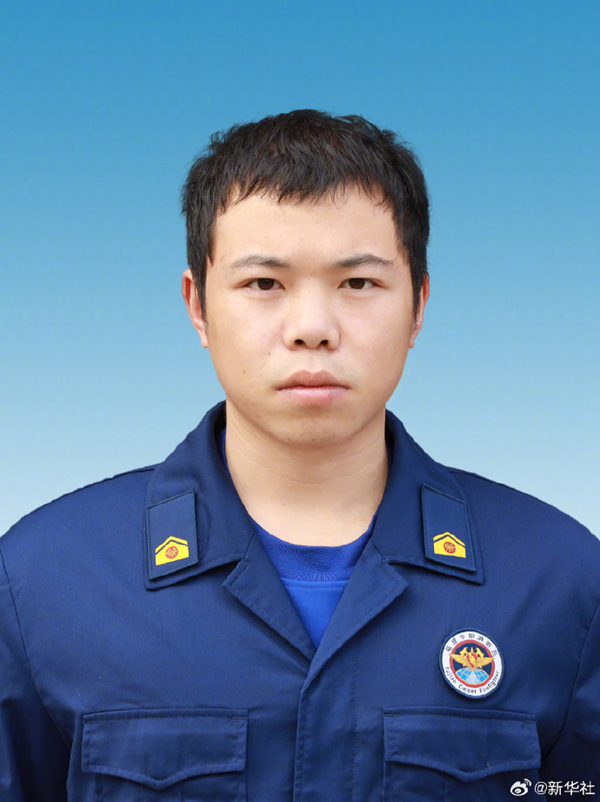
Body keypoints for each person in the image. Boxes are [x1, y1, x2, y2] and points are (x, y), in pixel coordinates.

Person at [1, 110, 598, 801]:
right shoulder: (46, 580)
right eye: (264, 284)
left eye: (358, 283)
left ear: (418, 304)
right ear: (197, 306)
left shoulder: (560, 581)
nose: (312, 328)